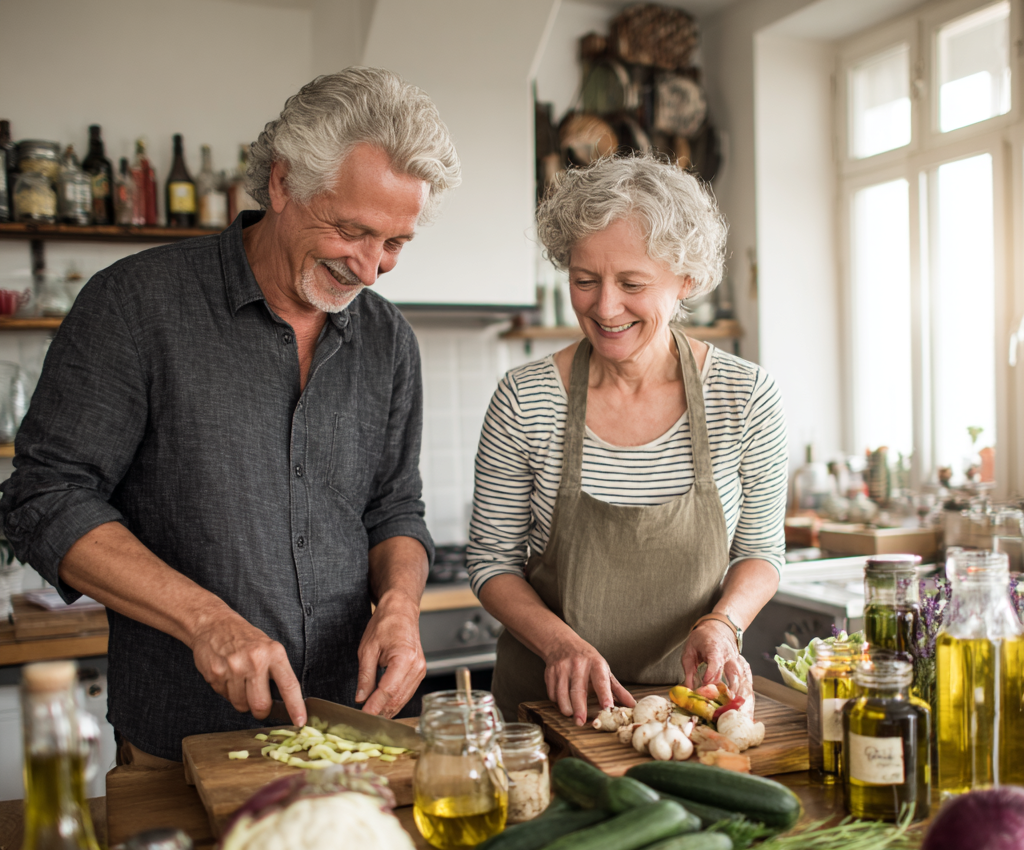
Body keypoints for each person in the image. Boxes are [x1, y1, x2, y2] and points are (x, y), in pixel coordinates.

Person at [0, 68, 461, 764]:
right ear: (281, 184)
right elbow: (44, 497)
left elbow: (394, 506)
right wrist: (205, 620)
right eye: (351, 231)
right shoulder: (135, 305)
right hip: (180, 741)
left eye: (395, 243)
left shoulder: (388, 340)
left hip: (346, 735)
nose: (370, 269)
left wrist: (398, 606)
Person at [467, 153, 787, 725]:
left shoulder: (745, 396)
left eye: (632, 283)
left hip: (688, 709)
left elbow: (761, 553)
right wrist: (560, 644)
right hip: (546, 708)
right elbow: (492, 562)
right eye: (584, 281)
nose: (605, 307)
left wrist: (722, 623)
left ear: (687, 280)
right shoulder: (525, 399)